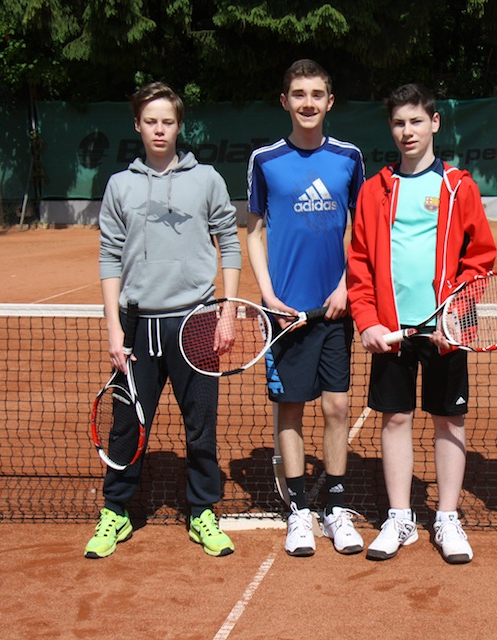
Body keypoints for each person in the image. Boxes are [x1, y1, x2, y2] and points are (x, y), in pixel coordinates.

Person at [86, 81, 241, 559]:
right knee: (126, 427)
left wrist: (228, 312)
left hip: (195, 321)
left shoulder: (207, 179)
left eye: (167, 121)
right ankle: (116, 512)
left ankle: (202, 512)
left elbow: (230, 244)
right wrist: (114, 329)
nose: (159, 129)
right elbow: (110, 257)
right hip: (135, 326)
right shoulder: (120, 185)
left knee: (201, 426)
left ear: (179, 126)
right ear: (137, 125)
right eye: (150, 121)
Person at [348, 83, 497, 564]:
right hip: (391, 332)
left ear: (434, 123)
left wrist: (454, 316)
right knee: (395, 419)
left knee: (449, 419)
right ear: (390, 129)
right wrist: (368, 322)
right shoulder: (373, 190)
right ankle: (399, 517)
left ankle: (447, 517)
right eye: (398, 123)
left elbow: (480, 259)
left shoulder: (458, 186)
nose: (407, 131)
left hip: (445, 331)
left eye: (416, 121)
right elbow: (361, 264)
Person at [246, 59, 365, 557]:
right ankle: (299, 512)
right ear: (285, 101)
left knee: (337, 406)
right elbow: (252, 230)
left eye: (317, 93)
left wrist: (346, 286)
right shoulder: (265, 160)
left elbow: (357, 229)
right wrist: (268, 295)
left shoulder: (349, 158)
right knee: (289, 409)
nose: (308, 102)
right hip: (285, 314)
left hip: (336, 308)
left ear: (330, 101)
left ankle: (335, 508)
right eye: (299, 94)